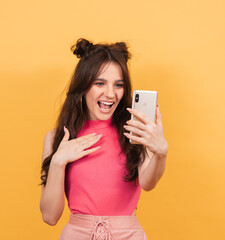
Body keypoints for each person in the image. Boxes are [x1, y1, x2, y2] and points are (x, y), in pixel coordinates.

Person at [40, 38, 168, 239]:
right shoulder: (57, 138)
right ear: (83, 87)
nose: (110, 94)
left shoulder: (133, 130)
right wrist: (58, 161)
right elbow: (49, 216)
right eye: (100, 83)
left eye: (118, 85)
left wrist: (161, 154)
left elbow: (148, 183)